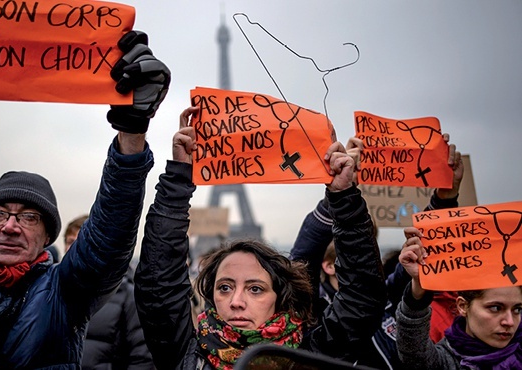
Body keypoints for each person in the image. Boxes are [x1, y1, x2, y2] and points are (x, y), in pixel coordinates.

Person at [0, 10, 169, 368]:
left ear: (48, 237)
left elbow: (108, 239)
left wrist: (132, 132)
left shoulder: (64, 291)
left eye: (29, 217)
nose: (10, 225)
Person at [134, 107, 387, 370]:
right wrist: (179, 176)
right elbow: (157, 283)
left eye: (255, 289)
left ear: (280, 297)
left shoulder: (310, 356)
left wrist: (344, 198)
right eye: (224, 287)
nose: (236, 301)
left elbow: (362, 299)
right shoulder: (187, 354)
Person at [290, 134, 464, 369]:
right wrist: (339, 192)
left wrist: (445, 198)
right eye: (351, 248)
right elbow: (305, 254)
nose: (361, 252)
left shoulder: (386, 297)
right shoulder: (312, 311)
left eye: (363, 245)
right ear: (328, 265)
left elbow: (420, 256)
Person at [396, 228, 522, 369]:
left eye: (517, 309)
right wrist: (419, 285)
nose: (509, 322)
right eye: (495, 308)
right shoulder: (445, 362)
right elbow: (414, 354)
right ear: (463, 306)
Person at [63, 215, 155, 370]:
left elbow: (142, 359)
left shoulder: (130, 297)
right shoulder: (51, 289)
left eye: (82, 241)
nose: (74, 248)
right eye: (70, 242)